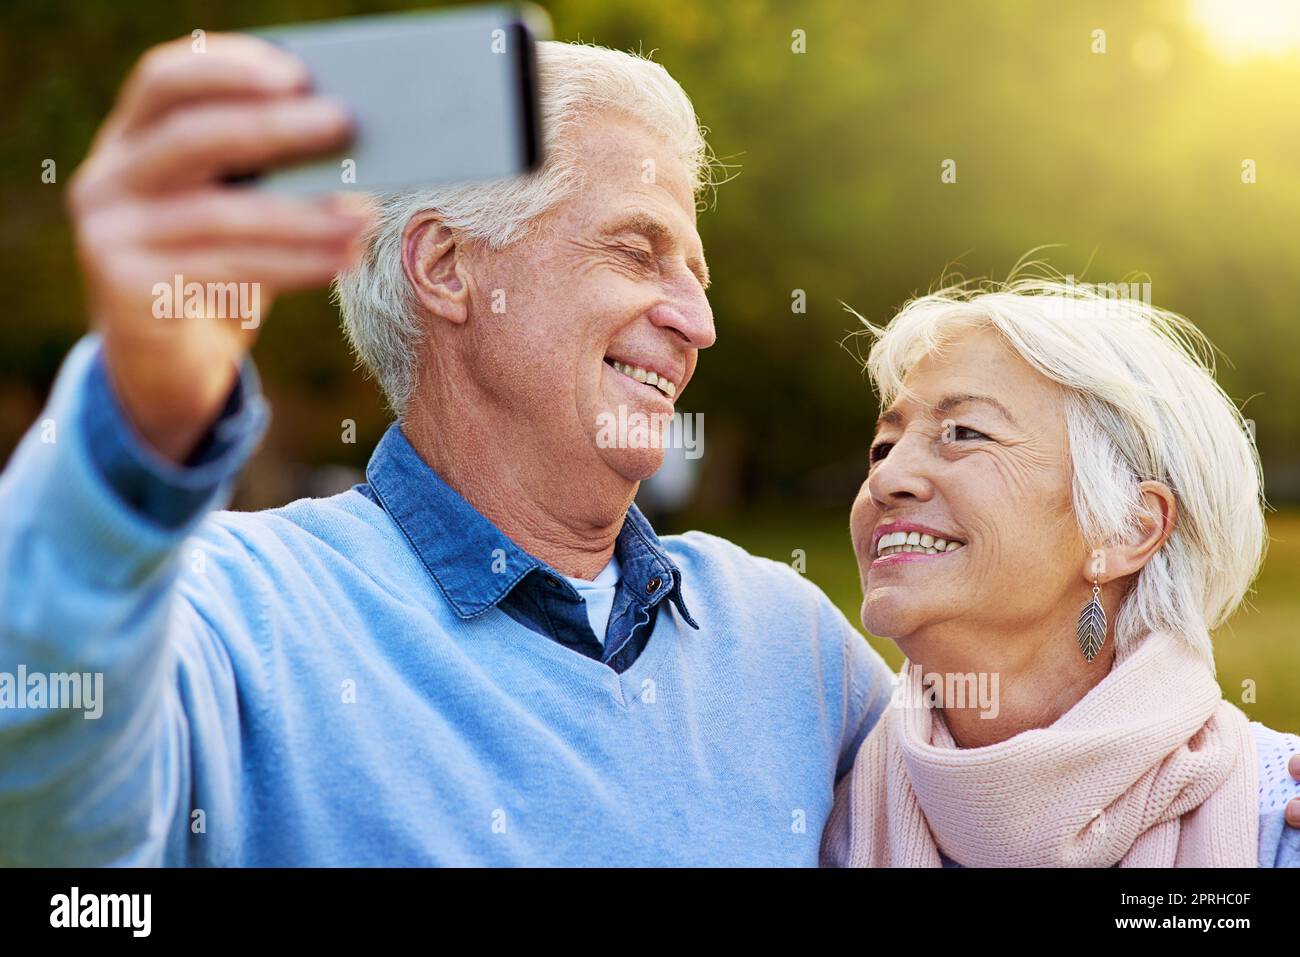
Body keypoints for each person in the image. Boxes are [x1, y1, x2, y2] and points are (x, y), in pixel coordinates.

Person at [0, 34, 895, 865]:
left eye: (696, 277)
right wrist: (137, 423)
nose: (698, 322)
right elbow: (45, 812)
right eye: (636, 251)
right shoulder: (238, 612)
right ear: (445, 267)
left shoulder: (793, 641)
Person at [822, 278, 1300, 867]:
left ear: (1126, 529)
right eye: (883, 447)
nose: (885, 479)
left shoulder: (1279, 822)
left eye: (964, 433)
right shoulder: (807, 814)